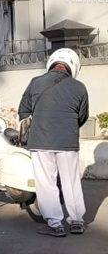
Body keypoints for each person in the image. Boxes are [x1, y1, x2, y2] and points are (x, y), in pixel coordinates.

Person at [19, 48, 89, 237]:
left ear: (52, 62)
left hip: (40, 141)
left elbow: (24, 111)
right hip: (67, 142)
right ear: (72, 65)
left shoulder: (35, 82)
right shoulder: (79, 87)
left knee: (46, 183)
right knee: (71, 182)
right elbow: (82, 117)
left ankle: (55, 224)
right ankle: (76, 222)